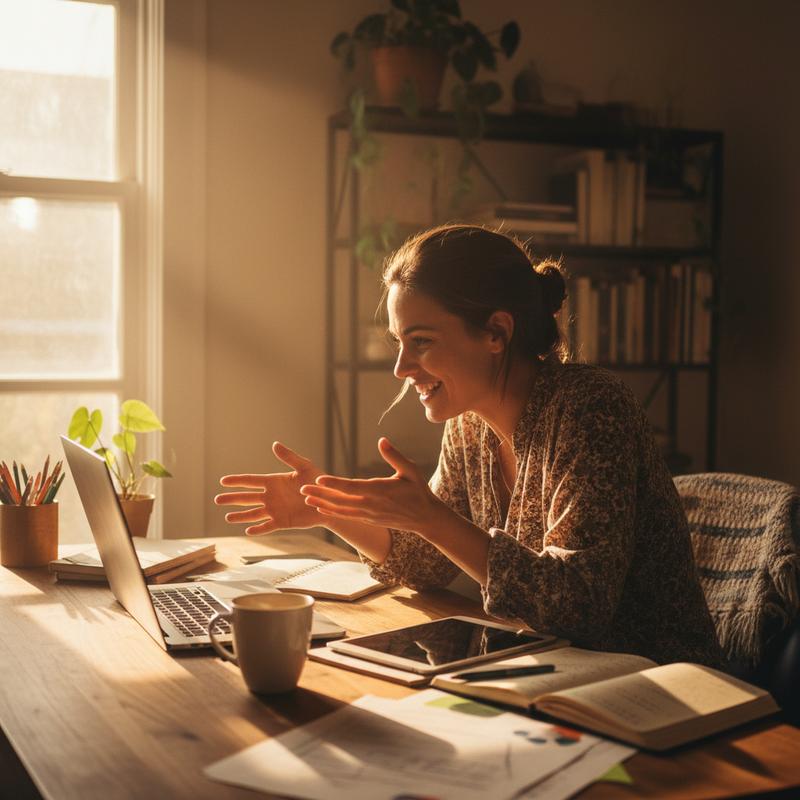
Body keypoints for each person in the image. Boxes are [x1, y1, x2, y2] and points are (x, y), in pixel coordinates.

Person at [215, 224, 723, 666]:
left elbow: (579, 607)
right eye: (399, 343)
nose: (401, 368)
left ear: (496, 332)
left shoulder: (591, 409)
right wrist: (329, 510)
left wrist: (432, 517)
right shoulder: (468, 425)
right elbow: (427, 563)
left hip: (658, 689)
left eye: (422, 341)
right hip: (552, 677)